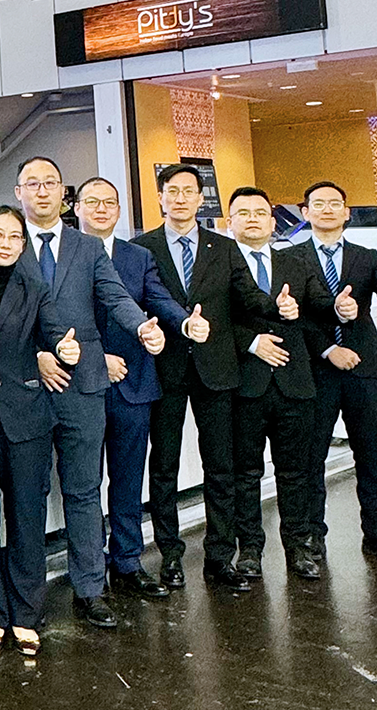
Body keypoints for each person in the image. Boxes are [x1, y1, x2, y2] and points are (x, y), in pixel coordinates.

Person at [14, 157, 165, 629]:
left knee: (83, 490)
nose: (42, 191)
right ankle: (28, 598)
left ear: (64, 193)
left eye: (50, 183)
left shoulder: (88, 246)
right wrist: (36, 355)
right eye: (32, 183)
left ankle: (91, 589)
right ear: (19, 192)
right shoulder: (7, 242)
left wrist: (141, 327)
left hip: (83, 386)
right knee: (29, 495)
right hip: (28, 387)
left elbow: (115, 296)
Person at [134, 164, 298, 592]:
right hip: (165, 368)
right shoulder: (142, 248)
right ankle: (170, 555)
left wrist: (277, 307)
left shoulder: (223, 248)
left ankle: (220, 556)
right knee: (164, 467)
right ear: (160, 197)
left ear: (200, 198)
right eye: (173, 191)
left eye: (189, 191)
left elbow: (247, 297)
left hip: (217, 369)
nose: (181, 198)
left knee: (220, 466)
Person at [0, 205, 79, 658]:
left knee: (27, 519)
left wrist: (64, 347)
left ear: (24, 244)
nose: (6, 243)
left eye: (15, 237)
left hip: (27, 416)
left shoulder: (34, 286)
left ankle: (27, 614)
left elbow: (54, 333)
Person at [74, 177, 192, 599]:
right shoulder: (65, 252)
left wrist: (182, 322)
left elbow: (157, 300)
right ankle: (90, 568)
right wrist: (96, 359)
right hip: (80, 384)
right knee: (84, 484)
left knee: (127, 480)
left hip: (134, 384)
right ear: (77, 208)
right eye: (92, 202)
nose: (101, 209)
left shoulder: (138, 256)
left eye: (109, 202)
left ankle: (128, 561)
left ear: (119, 210)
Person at [228, 186, 353, 582]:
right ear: (229, 222)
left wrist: (339, 308)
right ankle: (250, 550)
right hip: (245, 385)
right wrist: (252, 343)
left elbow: (318, 304)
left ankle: (299, 547)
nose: (252, 219)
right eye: (243, 213)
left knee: (295, 472)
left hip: (295, 385)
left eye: (260, 213)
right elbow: (214, 320)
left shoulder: (295, 262)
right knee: (246, 473)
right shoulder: (220, 264)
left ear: (272, 221)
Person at [294, 181, 377, 568]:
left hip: (365, 370)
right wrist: (329, 350)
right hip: (315, 370)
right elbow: (293, 317)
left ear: (347, 212)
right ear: (305, 212)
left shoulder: (367, 257)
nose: (327, 209)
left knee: (373, 455)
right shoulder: (291, 259)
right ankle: (312, 536)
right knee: (310, 458)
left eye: (335, 203)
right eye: (319, 204)